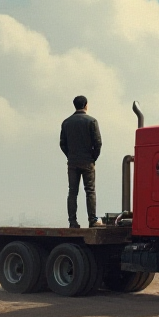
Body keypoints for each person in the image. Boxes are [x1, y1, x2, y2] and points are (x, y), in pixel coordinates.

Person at [60, 95, 103, 228]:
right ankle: (92, 220)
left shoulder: (66, 122)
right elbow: (98, 143)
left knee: (72, 192)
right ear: (86, 105)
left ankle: (72, 222)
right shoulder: (92, 121)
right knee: (90, 190)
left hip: (72, 162)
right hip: (87, 161)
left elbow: (62, 144)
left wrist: (70, 156)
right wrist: (93, 158)